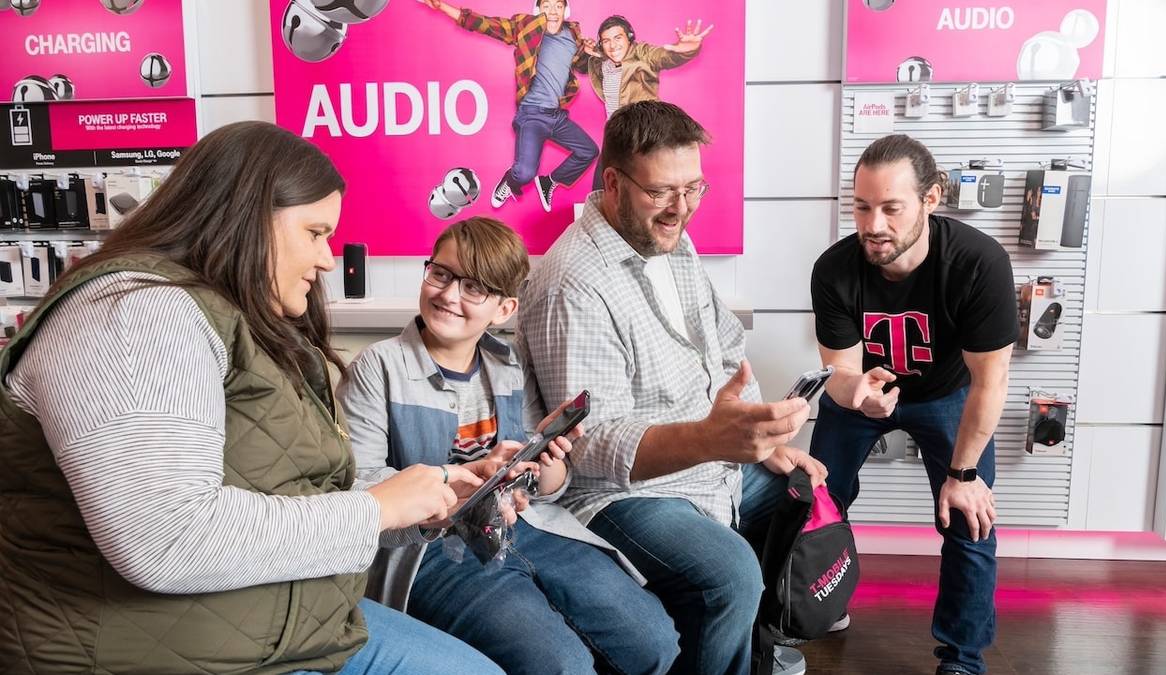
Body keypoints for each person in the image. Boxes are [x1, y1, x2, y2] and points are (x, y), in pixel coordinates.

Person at [0, 121, 505, 675]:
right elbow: (167, 538)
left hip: (274, 623)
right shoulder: (135, 315)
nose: (327, 260)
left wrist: (420, 503)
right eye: (315, 233)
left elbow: (279, 488)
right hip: (167, 650)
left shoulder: (226, 317)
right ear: (244, 216)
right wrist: (376, 508)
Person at [515, 100, 827, 675]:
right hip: (616, 495)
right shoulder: (572, 283)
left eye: (694, 189)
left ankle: (750, 643)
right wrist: (714, 440)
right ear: (611, 182)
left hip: (707, 465)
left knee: (805, 493)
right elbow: (593, 446)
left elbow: (726, 346)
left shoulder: (671, 241)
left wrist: (757, 434)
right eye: (662, 192)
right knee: (730, 572)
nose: (681, 210)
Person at [336, 215, 680, 675]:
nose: (449, 295)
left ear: (503, 309)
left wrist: (544, 460)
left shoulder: (510, 366)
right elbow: (358, 486)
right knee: (560, 664)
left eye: (473, 287)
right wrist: (453, 484)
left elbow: (550, 488)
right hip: (432, 548)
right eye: (441, 273)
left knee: (654, 640)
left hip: (525, 526)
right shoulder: (376, 368)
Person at [809, 134, 1017, 675]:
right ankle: (821, 606)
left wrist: (964, 473)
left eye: (890, 208)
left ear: (931, 198)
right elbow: (839, 373)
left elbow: (990, 382)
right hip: (865, 395)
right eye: (861, 206)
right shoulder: (834, 270)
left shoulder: (979, 263)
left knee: (969, 518)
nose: (873, 225)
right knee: (817, 501)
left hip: (947, 394)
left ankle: (962, 658)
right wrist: (857, 393)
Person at [418, 0, 598, 213]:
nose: (552, 12)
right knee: (524, 174)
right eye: (547, 6)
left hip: (557, 116)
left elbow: (579, 66)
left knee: (589, 151)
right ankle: (509, 182)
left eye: (558, 6)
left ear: (565, 10)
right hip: (532, 114)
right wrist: (443, 7)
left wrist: (588, 53)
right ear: (538, 10)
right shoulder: (525, 27)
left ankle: (549, 182)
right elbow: (484, 24)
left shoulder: (573, 35)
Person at [577, 16, 713, 189]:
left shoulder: (643, 54)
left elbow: (663, 57)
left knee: (643, 188)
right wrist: (585, 51)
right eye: (606, 41)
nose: (612, 45)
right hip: (614, 132)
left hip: (641, 133)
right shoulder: (602, 62)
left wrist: (687, 50)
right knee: (600, 188)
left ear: (630, 37)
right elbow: (582, 64)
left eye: (618, 38)